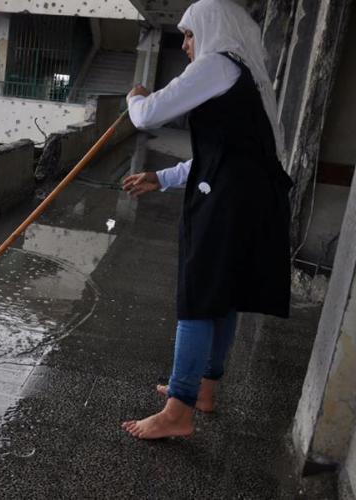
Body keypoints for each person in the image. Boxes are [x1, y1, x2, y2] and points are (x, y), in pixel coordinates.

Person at [120, 0, 294, 439]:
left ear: (212, 29)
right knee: (223, 294)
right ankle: (204, 390)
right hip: (248, 198)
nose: (185, 44)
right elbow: (221, 154)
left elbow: (147, 116)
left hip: (227, 204)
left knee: (198, 295)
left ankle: (178, 411)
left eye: (190, 33)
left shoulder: (218, 64)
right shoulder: (243, 75)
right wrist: (161, 177)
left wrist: (135, 96)